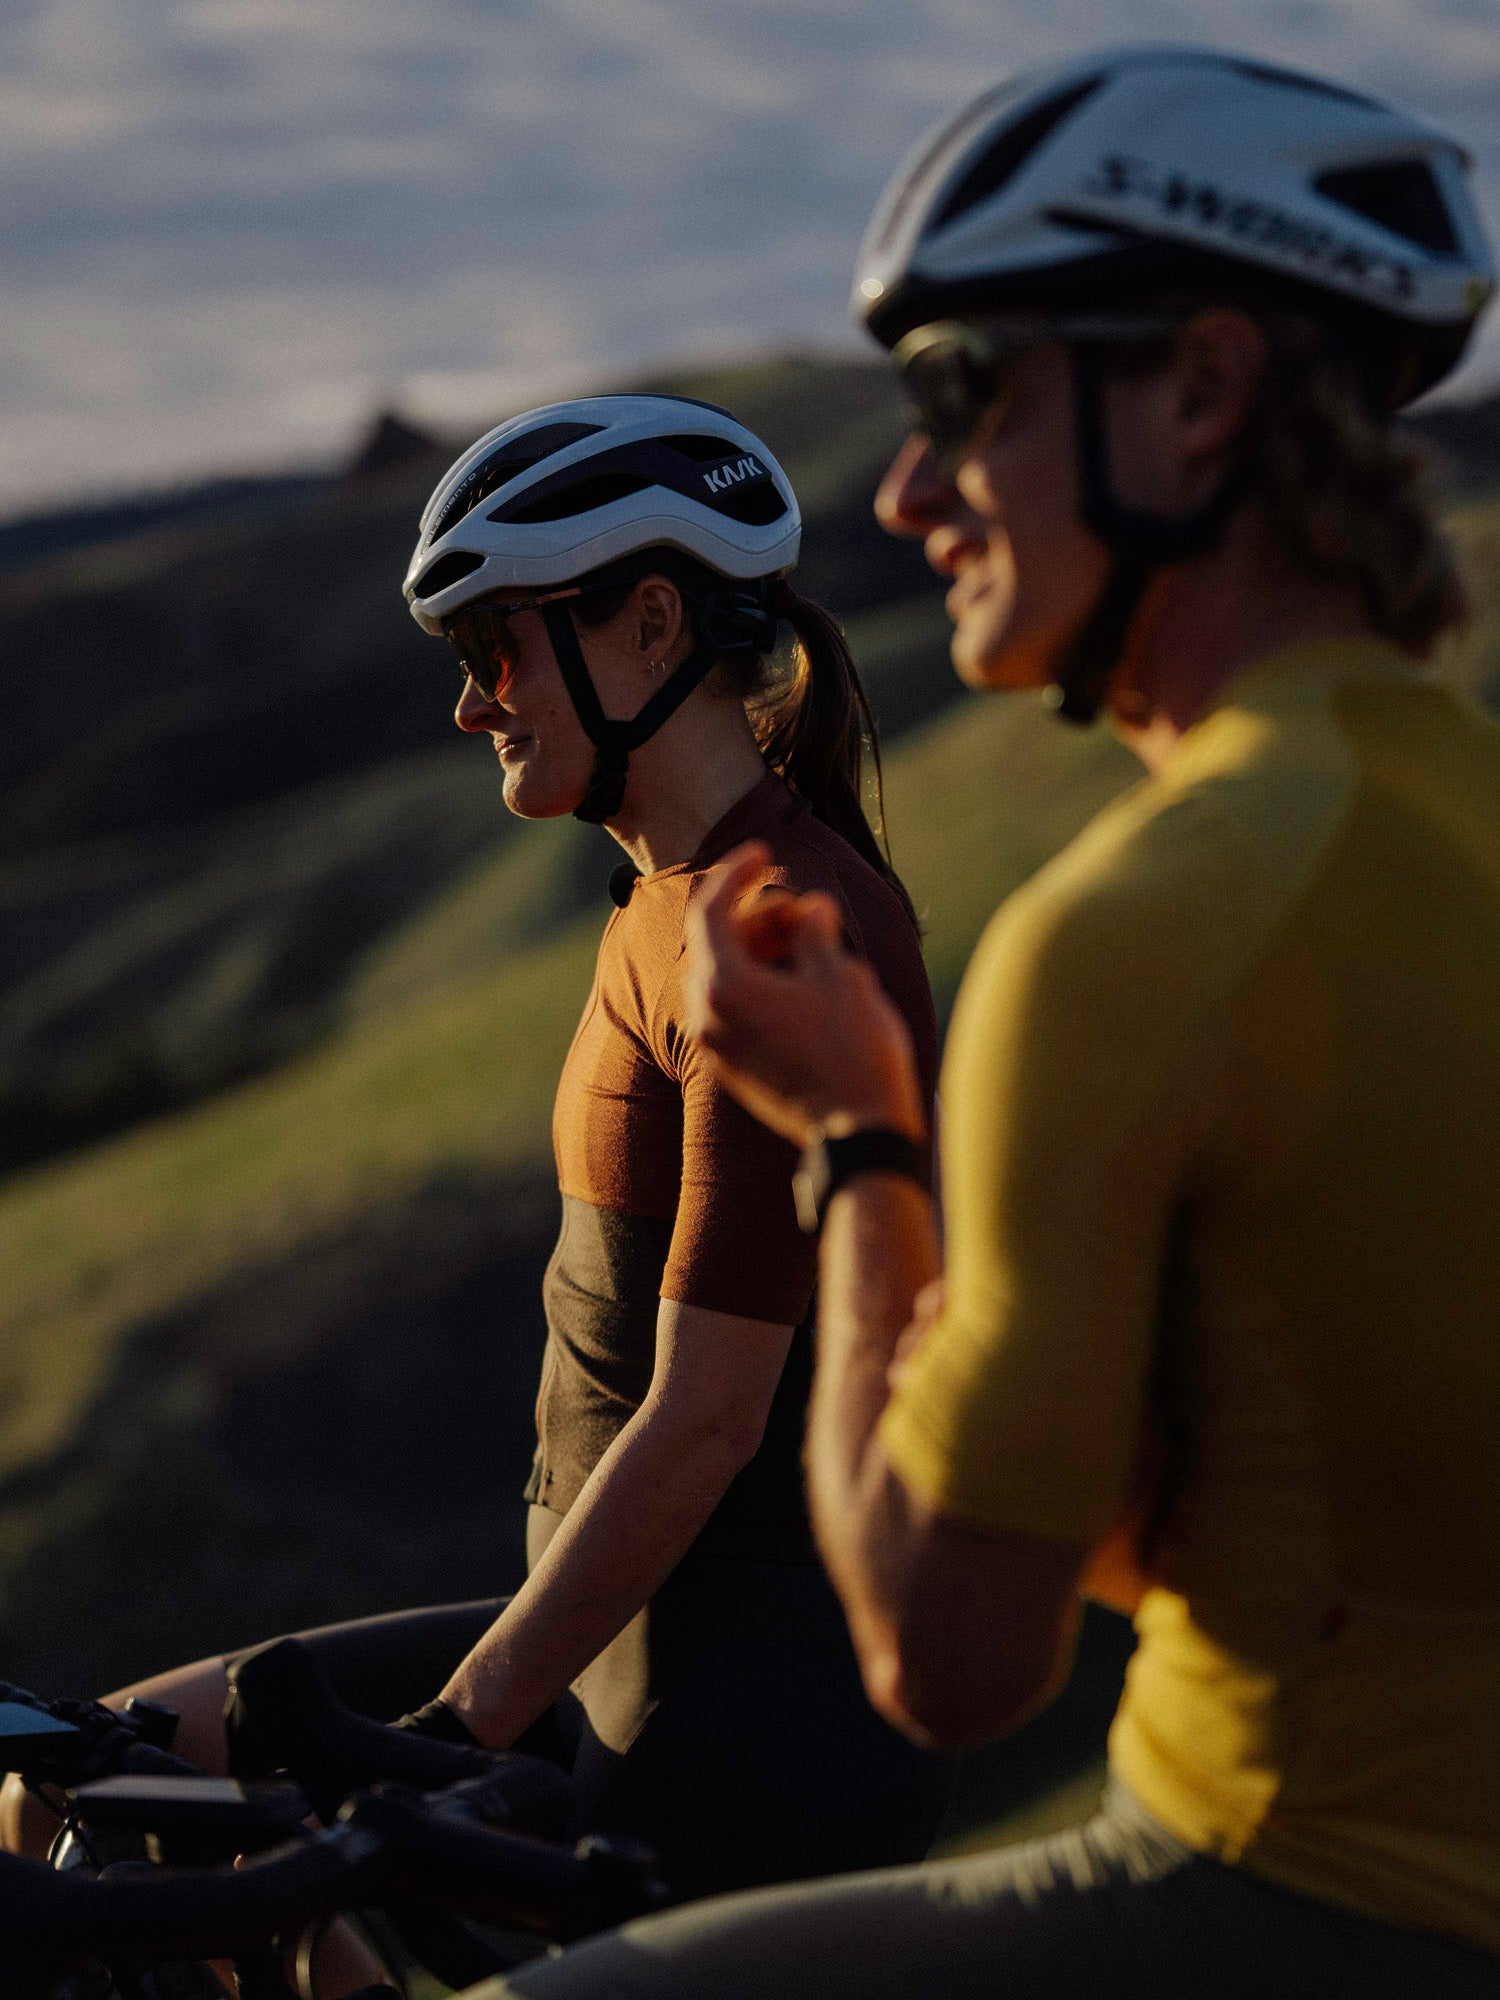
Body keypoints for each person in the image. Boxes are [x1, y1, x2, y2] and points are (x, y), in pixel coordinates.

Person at [463, 45, 1500, 1998]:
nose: (909, 489)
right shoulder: (1453, 811)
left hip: (1291, 1877)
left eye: (969, 398)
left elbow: (948, 1650)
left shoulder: (1137, 931)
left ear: (1199, 393)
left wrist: (863, 1142)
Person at [1, 397, 947, 1909]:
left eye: (493, 648)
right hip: (604, 1641)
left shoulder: (774, 923)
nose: (469, 706)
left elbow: (709, 1419)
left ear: (652, 624)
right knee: (84, 1776)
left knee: (177, 1856)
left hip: (731, 1707)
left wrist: (456, 1728)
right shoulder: (666, 898)